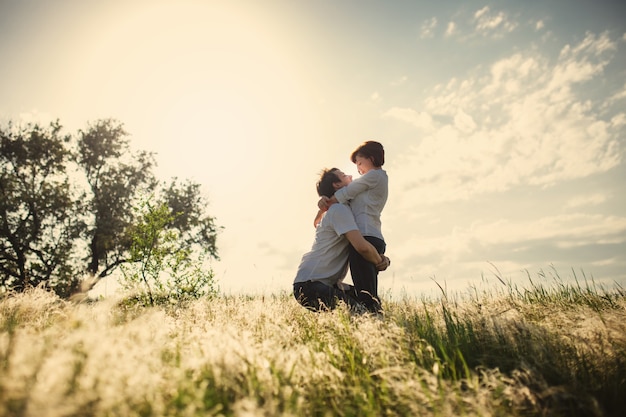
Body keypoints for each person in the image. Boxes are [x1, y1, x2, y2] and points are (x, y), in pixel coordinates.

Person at [293, 168, 390, 312]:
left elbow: (317, 223)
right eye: (344, 176)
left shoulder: (341, 209)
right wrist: (380, 261)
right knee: (361, 313)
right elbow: (361, 247)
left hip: (322, 284)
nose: (351, 176)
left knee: (369, 301)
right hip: (310, 285)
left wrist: (323, 207)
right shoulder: (339, 210)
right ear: (337, 185)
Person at [316, 141, 388, 313]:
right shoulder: (368, 184)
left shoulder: (376, 176)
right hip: (369, 236)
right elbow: (345, 197)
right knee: (367, 287)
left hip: (366, 237)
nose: (358, 169)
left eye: (360, 163)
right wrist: (323, 203)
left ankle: (375, 322)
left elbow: (346, 192)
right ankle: (375, 322)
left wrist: (327, 204)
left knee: (365, 291)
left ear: (371, 158)